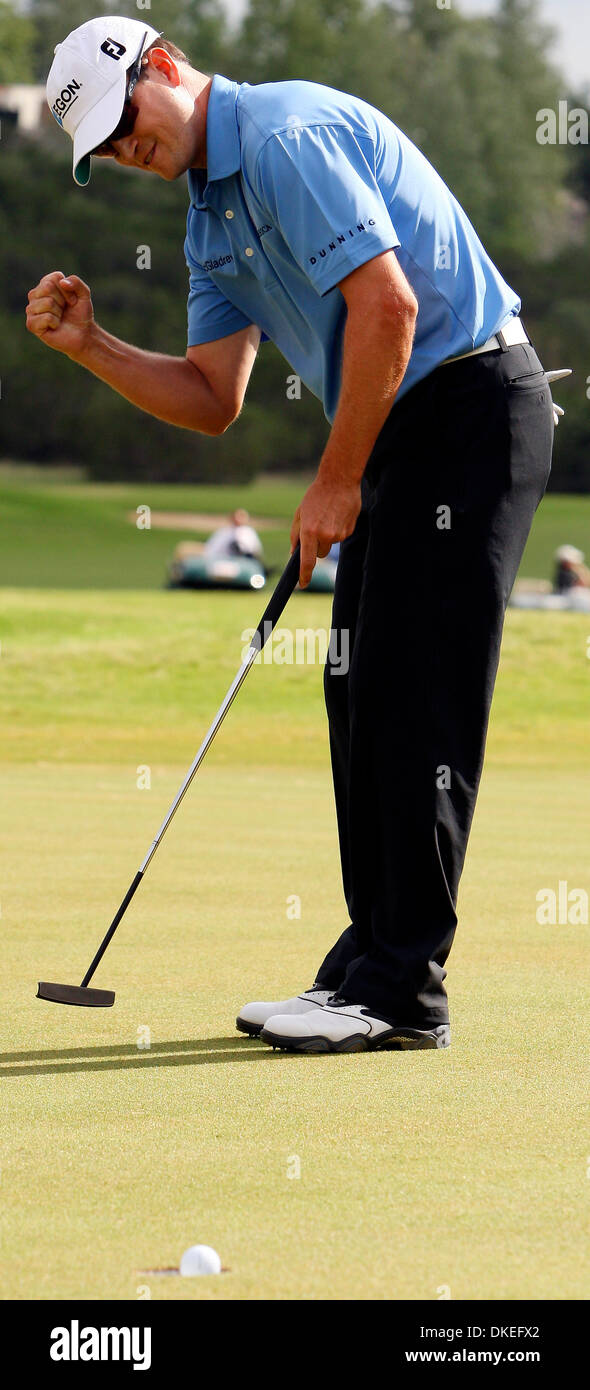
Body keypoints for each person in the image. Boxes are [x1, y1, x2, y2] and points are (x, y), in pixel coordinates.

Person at [28, 16, 556, 1054]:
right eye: (102, 150)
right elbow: (211, 398)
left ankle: (403, 989)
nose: (123, 150)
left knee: (413, 694)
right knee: (358, 683)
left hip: (469, 407)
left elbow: (389, 308)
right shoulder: (206, 222)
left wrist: (335, 478)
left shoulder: (282, 134)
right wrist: (90, 346)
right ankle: (370, 961)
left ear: (164, 66)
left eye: (123, 119)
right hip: (405, 427)